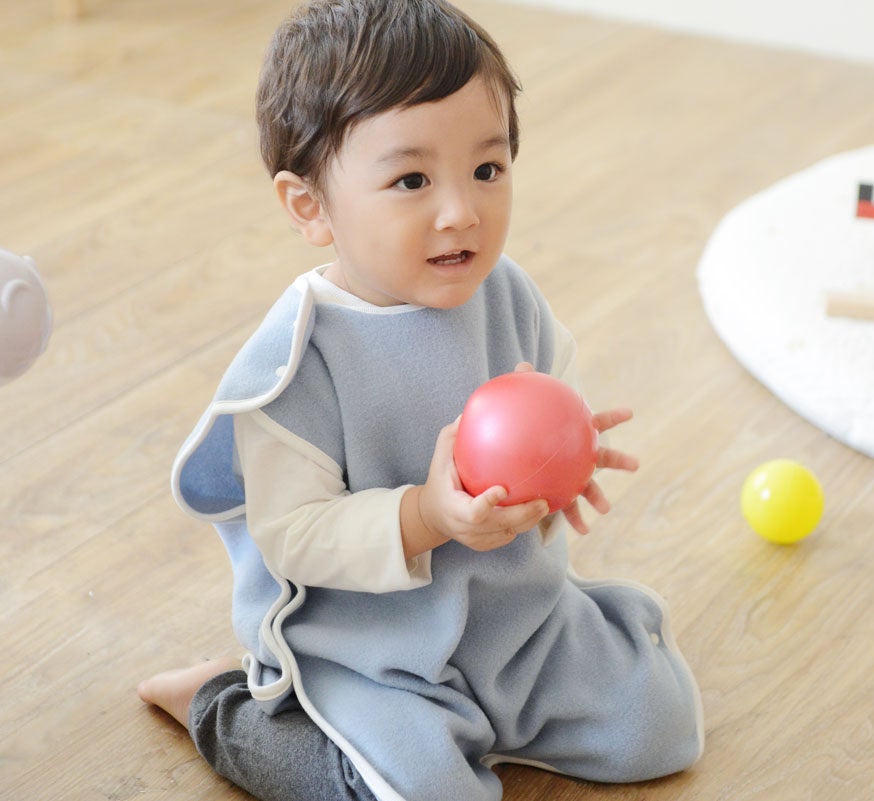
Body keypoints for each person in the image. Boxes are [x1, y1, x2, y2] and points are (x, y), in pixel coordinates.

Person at [138, 1, 705, 799]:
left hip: (513, 621)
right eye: (411, 180)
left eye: (488, 169)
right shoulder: (297, 361)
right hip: (375, 651)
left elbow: (550, 405)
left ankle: (497, 714)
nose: (460, 211)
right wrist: (425, 516)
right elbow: (294, 536)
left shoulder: (509, 297)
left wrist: (562, 472)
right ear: (310, 206)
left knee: (659, 726)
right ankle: (219, 702)